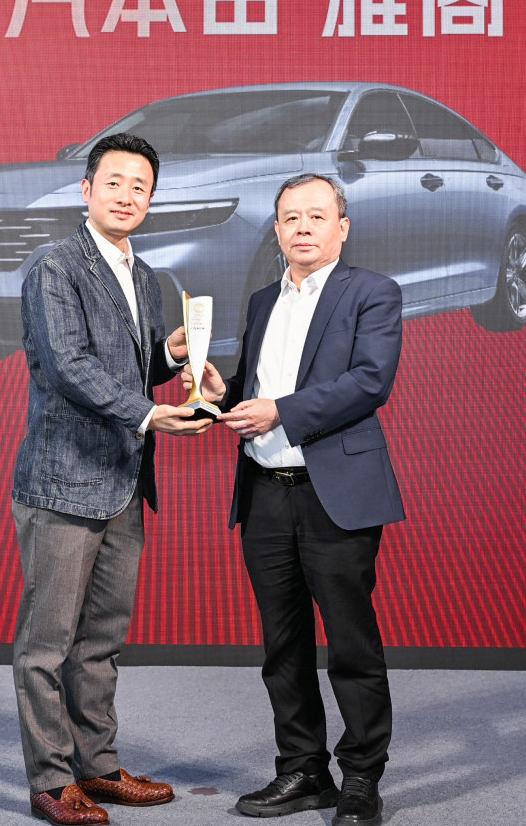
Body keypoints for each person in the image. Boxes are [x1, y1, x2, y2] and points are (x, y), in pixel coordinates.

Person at [187, 172, 405, 826]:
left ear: (343, 226)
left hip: (334, 496)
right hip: (264, 493)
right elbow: (254, 390)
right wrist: (219, 394)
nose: (302, 227)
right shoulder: (261, 301)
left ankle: (361, 778)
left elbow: (370, 382)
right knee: (282, 646)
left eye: (317, 215)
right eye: (290, 217)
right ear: (277, 231)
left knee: (350, 645)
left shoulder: (372, 292)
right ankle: (304, 770)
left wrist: (280, 410)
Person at [12, 132, 214, 826]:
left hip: (124, 482)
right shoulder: (55, 266)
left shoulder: (144, 274)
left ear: (150, 200)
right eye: (115, 182)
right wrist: (153, 414)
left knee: (101, 641)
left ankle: (95, 768)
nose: (127, 196)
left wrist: (171, 355)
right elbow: (70, 367)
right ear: (87, 190)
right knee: (47, 645)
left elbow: (130, 367)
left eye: (140, 187)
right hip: (64, 483)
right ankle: (49, 780)